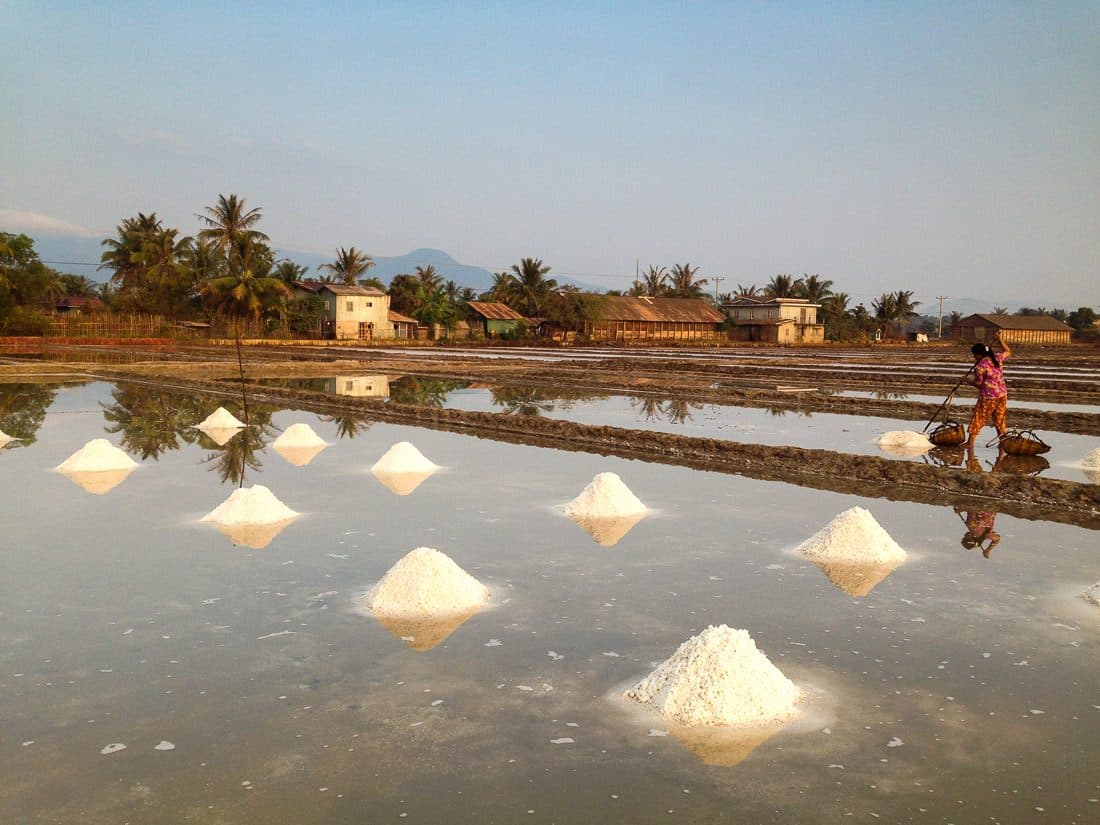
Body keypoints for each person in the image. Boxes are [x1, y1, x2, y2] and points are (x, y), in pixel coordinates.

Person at [966, 332, 1012, 449]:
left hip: (988, 397)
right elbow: (1008, 351)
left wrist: (968, 381)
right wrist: (1000, 340)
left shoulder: (979, 367)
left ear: (978, 354)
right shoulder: (997, 358)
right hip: (1002, 394)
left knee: (978, 418)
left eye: (975, 355)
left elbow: (979, 384)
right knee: (999, 419)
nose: (974, 358)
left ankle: (969, 443)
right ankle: (1003, 443)